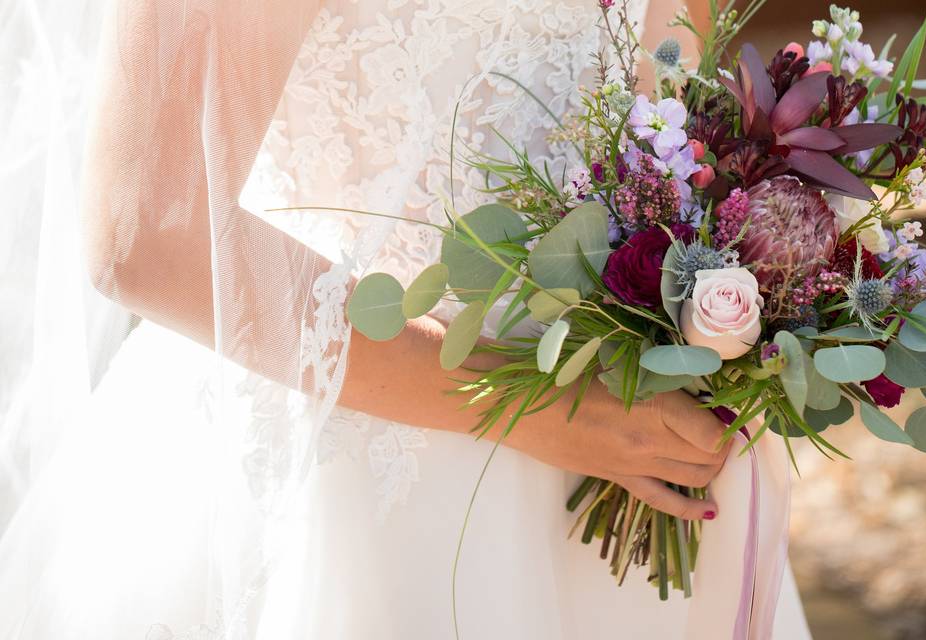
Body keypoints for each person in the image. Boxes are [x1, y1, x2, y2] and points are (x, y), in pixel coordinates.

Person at [0, 1, 811, 637]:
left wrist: (720, 313)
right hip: (356, 467)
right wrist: (526, 402)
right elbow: (142, 234)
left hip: (622, 451)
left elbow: (672, 115)